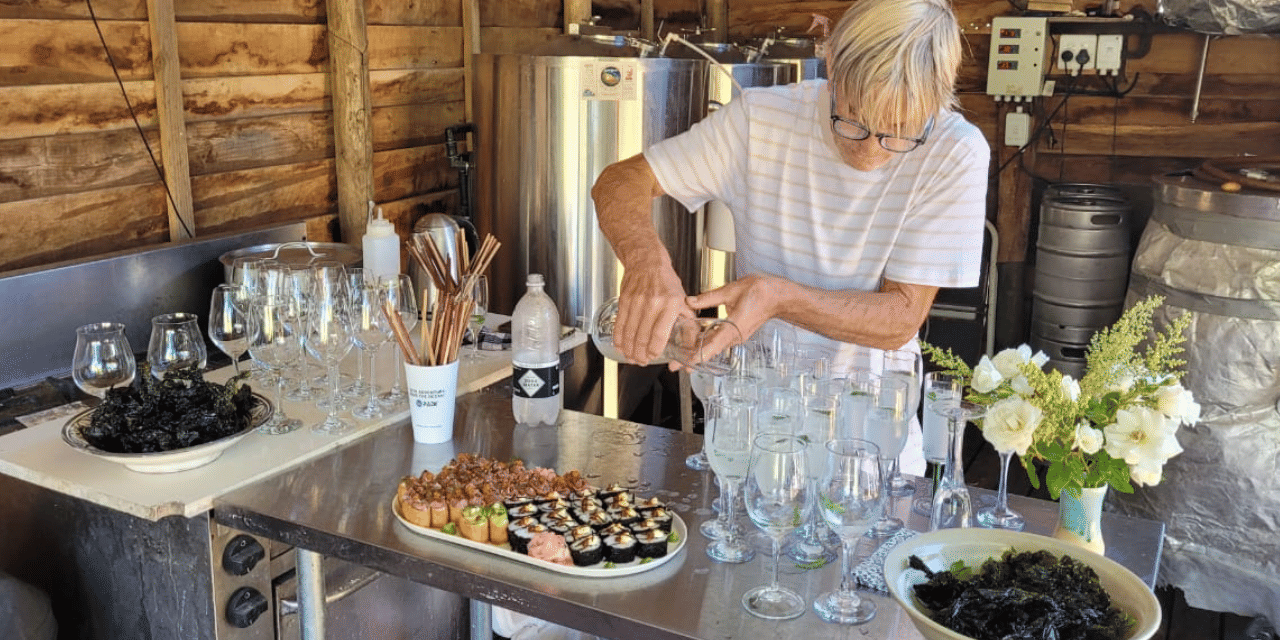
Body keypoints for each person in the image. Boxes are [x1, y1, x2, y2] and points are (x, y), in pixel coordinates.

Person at [591, 0, 989, 475]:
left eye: (898, 132)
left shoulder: (955, 152)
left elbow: (901, 317)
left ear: (935, 100)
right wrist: (646, 262)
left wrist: (778, 297)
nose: (870, 151)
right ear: (834, 65)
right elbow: (619, 182)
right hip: (750, 439)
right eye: (854, 120)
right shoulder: (761, 120)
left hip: (868, 447)